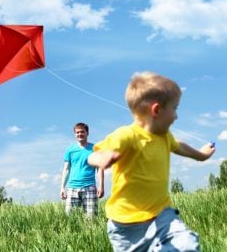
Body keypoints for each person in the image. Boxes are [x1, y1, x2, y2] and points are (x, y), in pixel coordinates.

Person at [88, 71, 216, 251]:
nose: (176, 116)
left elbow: (180, 146)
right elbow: (91, 156)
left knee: (186, 244)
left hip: (162, 216)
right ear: (157, 110)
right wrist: (102, 158)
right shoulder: (126, 135)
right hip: (125, 228)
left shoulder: (165, 137)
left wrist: (202, 155)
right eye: (175, 108)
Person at [60, 122, 104, 217]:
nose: (80, 134)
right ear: (75, 134)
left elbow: (100, 168)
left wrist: (101, 186)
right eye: (77, 132)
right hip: (72, 187)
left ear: (87, 133)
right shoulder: (70, 150)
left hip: (89, 187)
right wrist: (62, 187)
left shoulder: (95, 149)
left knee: (91, 219)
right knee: (70, 219)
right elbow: (66, 169)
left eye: (82, 132)